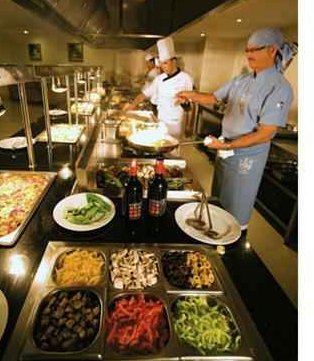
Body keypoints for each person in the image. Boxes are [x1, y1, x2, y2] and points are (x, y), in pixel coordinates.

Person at [176, 27, 295, 230]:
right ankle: (214, 233)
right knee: (218, 201)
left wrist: (227, 146)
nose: (249, 54)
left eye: (255, 49)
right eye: (247, 49)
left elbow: (266, 133)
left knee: (235, 210)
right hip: (225, 150)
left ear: (272, 50)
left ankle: (232, 242)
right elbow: (213, 98)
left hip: (246, 158)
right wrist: (189, 95)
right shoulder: (242, 80)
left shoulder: (279, 87)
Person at [124, 37, 193, 139]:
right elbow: (144, 94)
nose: (163, 66)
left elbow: (189, 106)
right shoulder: (159, 79)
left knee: (173, 146)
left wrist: (188, 124)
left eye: (165, 63)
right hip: (160, 121)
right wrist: (131, 106)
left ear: (174, 61)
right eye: (161, 63)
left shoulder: (186, 78)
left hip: (176, 124)